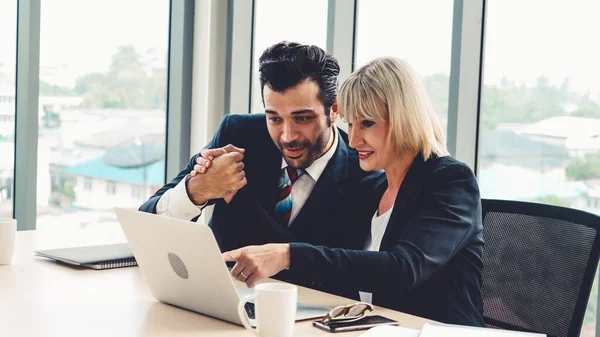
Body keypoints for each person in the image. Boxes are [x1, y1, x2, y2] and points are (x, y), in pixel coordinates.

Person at [217, 57, 485, 326]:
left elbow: (403, 269)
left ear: (405, 118)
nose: (354, 140)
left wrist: (287, 255)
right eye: (350, 124)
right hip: (370, 329)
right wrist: (237, 195)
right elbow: (323, 256)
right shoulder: (370, 189)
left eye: (367, 123)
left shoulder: (451, 181)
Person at [138, 41, 369, 257]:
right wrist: (197, 190)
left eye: (302, 118)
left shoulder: (364, 175)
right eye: (275, 119)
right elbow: (146, 224)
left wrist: (242, 201)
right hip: (215, 298)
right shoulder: (238, 135)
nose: (287, 137)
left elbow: (321, 271)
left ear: (334, 109)